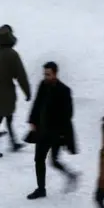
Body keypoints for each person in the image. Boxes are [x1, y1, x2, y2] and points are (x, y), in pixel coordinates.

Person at [26, 62, 79, 200]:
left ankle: (71, 175)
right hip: (42, 130)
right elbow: (37, 104)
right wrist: (32, 121)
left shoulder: (64, 90)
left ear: (55, 73)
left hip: (56, 133)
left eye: (48, 74)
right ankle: (41, 189)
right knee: (39, 159)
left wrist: (62, 133)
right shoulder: (42, 85)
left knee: (54, 161)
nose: (45, 76)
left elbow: (68, 114)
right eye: (44, 74)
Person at [0, 25, 31, 159]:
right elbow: (21, 75)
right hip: (5, 93)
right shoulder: (12, 54)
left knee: (7, 116)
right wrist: (27, 92)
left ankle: (13, 142)